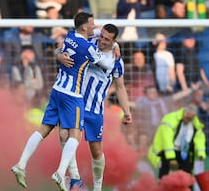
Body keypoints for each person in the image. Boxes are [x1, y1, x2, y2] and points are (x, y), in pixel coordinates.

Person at [11, 12, 115, 191]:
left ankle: (20, 164)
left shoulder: (70, 35)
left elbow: (66, 46)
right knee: (76, 134)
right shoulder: (87, 48)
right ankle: (60, 172)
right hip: (72, 94)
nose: (94, 26)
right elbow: (107, 65)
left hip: (57, 89)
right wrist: (115, 53)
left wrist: (59, 54)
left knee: (44, 129)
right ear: (84, 26)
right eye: (92, 24)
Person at [56, 23, 133, 191]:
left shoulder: (116, 61)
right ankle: (74, 179)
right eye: (102, 36)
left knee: (96, 151)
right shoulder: (89, 41)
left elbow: (120, 87)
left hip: (95, 108)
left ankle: (97, 187)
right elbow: (67, 44)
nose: (102, 40)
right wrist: (59, 55)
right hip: (75, 100)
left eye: (107, 39)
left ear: (114, 41)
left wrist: (127, 111)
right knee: (64, 135)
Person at [148, 104, 206, 179]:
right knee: (164, 177)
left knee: (187, 176)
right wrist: (171, 158)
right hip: (167, 151)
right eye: (187, 118)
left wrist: (201, 154)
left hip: (184, 151)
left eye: (191, 119)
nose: (188, 121)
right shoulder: (170, 119)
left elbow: (199, 139)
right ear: (184, 113)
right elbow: (167, 140)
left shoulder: (195, 123)